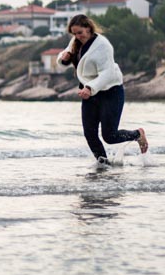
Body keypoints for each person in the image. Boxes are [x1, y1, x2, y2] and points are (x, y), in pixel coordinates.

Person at [59, 13, 148, 165]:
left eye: (80, 32)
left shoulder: (102, 46)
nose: (77, 36)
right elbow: (64, 56)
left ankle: (137, 134)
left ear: (88, 28)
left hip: (110, 91)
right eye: (74, 34)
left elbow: (107, 73)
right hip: (90, 93)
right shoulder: (76, 41)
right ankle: (104, 165)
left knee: (109, 136)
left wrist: (89, 87)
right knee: (90, 134)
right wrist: (64, 58)